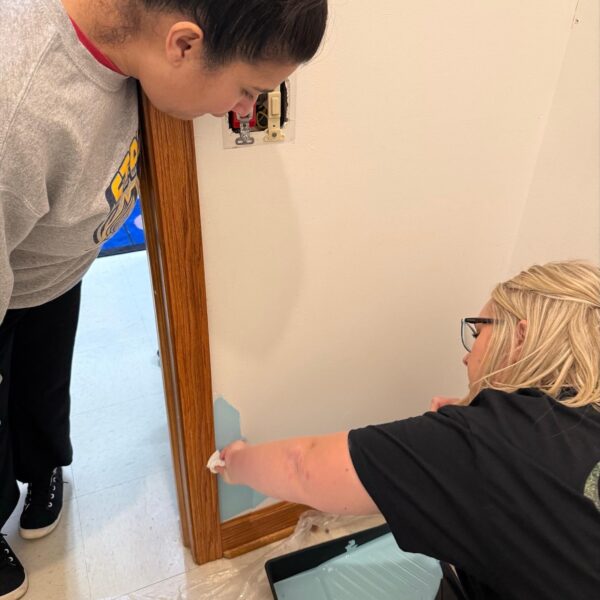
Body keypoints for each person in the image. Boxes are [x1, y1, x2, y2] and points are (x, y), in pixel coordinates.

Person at [0, 0, 327, 597]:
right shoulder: (17, 111)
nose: (245, 111)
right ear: (184, 45)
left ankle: (43, 466)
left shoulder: (136, 53)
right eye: (248, 91)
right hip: (9, 281)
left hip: (56, 275)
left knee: (41, 384)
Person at [215, 260, 600, 600]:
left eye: (478, 333)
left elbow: (302, 466)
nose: (466, 355)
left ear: (519, 337)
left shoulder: (488, 442)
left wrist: (234, 463)